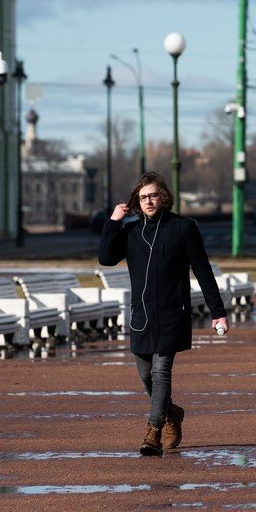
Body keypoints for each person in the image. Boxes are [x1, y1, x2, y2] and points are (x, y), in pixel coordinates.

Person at [98, 171, 228, 457]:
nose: (148, 201)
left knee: (160, 371)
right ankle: (172, 413)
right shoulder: (131, 231)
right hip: (141, 316)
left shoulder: (183, 228)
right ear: (137, 201)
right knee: (146, 377)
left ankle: (153, 431)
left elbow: (203, 271)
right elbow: (106, 258)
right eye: (143, 197)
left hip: (172, 314)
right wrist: (113, 221)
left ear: (163, 197)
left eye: (153, 195)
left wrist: (217, 312)